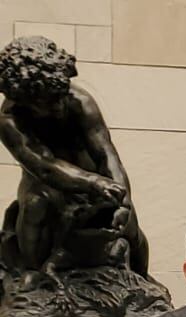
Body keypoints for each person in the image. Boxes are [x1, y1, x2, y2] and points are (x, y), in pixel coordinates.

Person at [0, 36, 150, 288]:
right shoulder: (10, 119)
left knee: (131, 226)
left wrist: (122, 198)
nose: (59, 106)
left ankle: (142, 278)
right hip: (48, 185)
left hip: (95, 181)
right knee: (35, 205)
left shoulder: (79, 101)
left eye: (61, 96)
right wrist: (94, 183)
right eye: (49, 102)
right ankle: (35, 273)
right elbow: (44, 167)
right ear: (25, 100)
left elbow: (106, 155)